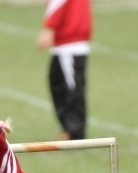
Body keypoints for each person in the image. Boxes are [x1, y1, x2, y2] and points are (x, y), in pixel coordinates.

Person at [36, 0, 92, 140]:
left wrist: (49, 26)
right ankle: (69, 128)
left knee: (71, 87)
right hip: (66, 40)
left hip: (70, 40)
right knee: (58, 82)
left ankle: (75, 132)